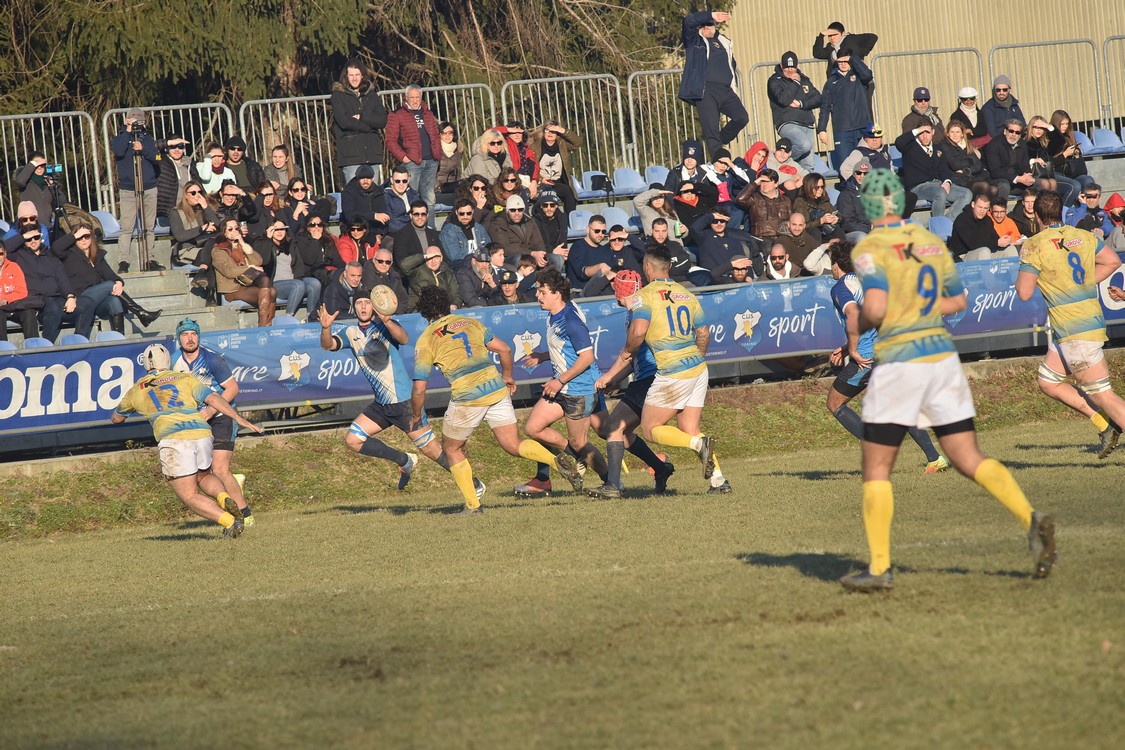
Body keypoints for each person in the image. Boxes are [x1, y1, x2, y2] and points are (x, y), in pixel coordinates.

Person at [838, 168, 1055, 592]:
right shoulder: (930, 242)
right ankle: (1030, 518)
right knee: (967, 457)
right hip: (940, 357)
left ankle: (879, 569)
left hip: (900, 360)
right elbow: (958, 300)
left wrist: (855, 322)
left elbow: (876, 309)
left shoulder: (870, 247)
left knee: (877, 467)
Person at [411, 286, 576, 514]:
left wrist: (416, 415)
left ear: (424, 311)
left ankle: (473, 506)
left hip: (468, 396)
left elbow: (419, 388)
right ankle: (554, 461)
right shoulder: (470, 323)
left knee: (452, 448)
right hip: (496, 388)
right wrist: (507, 377)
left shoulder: (427, 339)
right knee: (513, 444)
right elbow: (505, 349)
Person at [318, 293, 477, 495]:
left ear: (375, 306)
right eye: (359, 303)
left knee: (433, 451)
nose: (363, 307)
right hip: (382, 405)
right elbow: (328, 345)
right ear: (353, 307)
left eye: (367, 302)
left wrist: (387, 321)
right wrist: (326, 328)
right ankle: (405, 460)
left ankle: (474, 484)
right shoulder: (350, 332)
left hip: (404, 403)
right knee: (353, 439)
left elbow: (404, 338)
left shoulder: (386, 325)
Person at [112, 343, 263, 538]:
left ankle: (231, 522)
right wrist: (238, 418)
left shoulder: (136, 389)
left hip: (174, 439)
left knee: (189, 496)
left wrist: (126, 411)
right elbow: (213, 398)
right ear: (168, 361)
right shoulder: (185, 378)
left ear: (146, 364)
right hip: (202, 432)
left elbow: (117, 418)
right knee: (203, 476)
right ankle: (224, 497)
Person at [1016, 190, 1125, 460]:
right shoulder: (1084, 236)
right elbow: (1112, 261)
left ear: (1037, 216)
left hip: (1074, 328)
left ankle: (1109, 420)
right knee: (1048, 381)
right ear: (1061, 213)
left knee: (1103, 395)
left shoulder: (1034, 245)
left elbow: (1024, 292)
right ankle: (1103, 423)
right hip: (1084, 323)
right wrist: (1084, 283)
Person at [825, 242, 948, 473]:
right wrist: (847, 347)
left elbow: (854, 314)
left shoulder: (841, 287)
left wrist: (854, 351)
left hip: (868, 357)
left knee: (835, 402)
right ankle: (934, 458)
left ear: (836, 264)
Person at [620, 245, 730, 493]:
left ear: (647, 267)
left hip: (672, 370)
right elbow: (704, 333)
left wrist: (627, 350)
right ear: (669, 266)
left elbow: (638, 331)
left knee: (650, 428)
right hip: (698, 367)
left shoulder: (644, 296)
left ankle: (698, 445)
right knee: (690, 428)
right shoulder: (686, 293)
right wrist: (697, 359)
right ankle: (719, 480)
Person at [583, 270, 678, 499]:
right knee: (622, 434)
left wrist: (609, 376)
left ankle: (613, 485)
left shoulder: (637, 312)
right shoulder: (636, 310)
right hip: (647, 378)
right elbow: (634, 358)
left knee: (613, 426)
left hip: (650, 379)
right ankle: (661, 468)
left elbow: (628, 354)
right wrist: (616, 379)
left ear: (618, 291)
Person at [516, 268, 606, 494]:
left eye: (542, 292)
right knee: (533, 428)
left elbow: (587, 357)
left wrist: (559, 381)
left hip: (577, 389)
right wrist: (542, 356)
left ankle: (610, 481)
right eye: (537, 291)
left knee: (580, 442)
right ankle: (574, 459)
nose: (537, 296)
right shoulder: (553, 315)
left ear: (557, 294)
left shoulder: (570, 321)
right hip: (562, 386)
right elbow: (568, 349)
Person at [171, 318, 254, 526]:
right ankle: (232, 488)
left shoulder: (212, 360)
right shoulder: (174, 361)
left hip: (221, 416)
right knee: (203, 473)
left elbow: (233, 388)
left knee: (219, 469)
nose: (190, 339)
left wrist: (211, 409)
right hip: (196, 422)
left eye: (193, 334)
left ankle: (246, 515)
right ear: (179, 339)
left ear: (199, 336)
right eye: (185, 335)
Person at [53, 222, 161, 338]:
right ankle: (140, 313)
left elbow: (110, 275)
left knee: (115, 301)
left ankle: (119, 339)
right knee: (109, 285)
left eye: (86, 236)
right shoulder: (68, 254)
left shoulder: (97, 255)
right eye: (80, 237)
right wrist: (75, 235)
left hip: (97, 302)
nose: (83, 240)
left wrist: (119, 282)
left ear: (91, 237)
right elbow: (55, 248)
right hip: (80, 298)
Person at [679, 10, 747, 159]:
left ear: (714, 26)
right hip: (705, 91)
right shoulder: (694, 42)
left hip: (725, 90)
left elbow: (731, 65)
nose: (706, 28)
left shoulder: (723, 42)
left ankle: (720, 140)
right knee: (711, 130)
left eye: (709, 25)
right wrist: (710, 15)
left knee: (742, 117)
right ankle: (718, 161)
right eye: (702, 26)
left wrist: (732, 84)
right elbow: (688, 22)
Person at [111, 108, 163, 273]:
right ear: (127, 120)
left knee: (149, 226)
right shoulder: (120, 138)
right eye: (133, 120)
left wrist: (144, 149)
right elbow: (118, 151)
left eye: (139, 121)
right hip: (128, 189)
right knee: (127, 227)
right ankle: (123, 261)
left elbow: (157, 158)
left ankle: (150, 259)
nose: (137, 124)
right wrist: (127, 132)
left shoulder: (147, 139)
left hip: (149, 188)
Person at [4, 227, 73, 342]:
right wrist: (22, 237)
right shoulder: (18, 256)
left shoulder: (51, 256)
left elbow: (62, 279)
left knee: (87, 305)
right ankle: (46, 344)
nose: (33, 241)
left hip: (57, 298)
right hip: (37, 301)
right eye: (29, 239)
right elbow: (4, 248)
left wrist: (70, 296)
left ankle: (81, 343)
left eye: (36, 237)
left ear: (41, 238)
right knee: (54, 308)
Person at [894, 123, 971, 219]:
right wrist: (918, 130)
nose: (925, 136)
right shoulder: (910, 147)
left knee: (966, 193)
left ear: (933, 132)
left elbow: (944, 168)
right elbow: (899, 142)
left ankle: (947, 222)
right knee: (940, 193)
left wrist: (947, 182)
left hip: (938, 184)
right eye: (921, 133)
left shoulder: (937, 148)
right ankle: (938, 225)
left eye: (927, 132)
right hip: (918, 187)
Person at [331, 59, 388, 184]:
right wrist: (369, 127)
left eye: (357, 74)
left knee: (373, 192)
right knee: (354, 192)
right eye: (351, 75)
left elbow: (382, 120)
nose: (354, 78)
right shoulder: (338, 96)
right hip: (351, 154)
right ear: (346, 76)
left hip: (372, 153)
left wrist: (362, 117)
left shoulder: (371, 95)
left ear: (362, 75)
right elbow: (344, 122)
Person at [211, 218, 276, 327]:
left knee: (272, 290)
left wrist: (242, 243)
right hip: (233, 287)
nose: (234, 231)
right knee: (270, 289)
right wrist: (249, 267)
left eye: (236, 228)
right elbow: (229, 272)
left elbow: (258, 261)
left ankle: (266, 323)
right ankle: (264, 324)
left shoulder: (242, 246)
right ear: (224, 232)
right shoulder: (218, 250)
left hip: (248, 282)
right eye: (230, 229)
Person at [385, 85, 442, 207]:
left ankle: (430, 220)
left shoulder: (428, 114)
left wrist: (437, 154)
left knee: (430, 198)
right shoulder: (397, 115)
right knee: (411, 197)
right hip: (412, 162)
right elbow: (390, 141)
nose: (415, 101)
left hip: (431, 161)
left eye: (417, 97)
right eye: (412, 97)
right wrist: (404, 157)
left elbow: (436, 135)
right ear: (406, 98)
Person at [817, 53, 874, 171]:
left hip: (862, 128)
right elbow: (825, 107)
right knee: (845, 167)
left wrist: (853, 58)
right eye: (840, 62)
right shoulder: (831, 82)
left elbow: (868, 75)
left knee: (866, 166)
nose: (843, 64)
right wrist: (822, 129)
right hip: (842, 131)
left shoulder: (859, 77)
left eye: (846, 61)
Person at [766, 51, 821, 172]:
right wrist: (795, 82)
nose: (790, 70)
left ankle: (801, 180)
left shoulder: (804, 80)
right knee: (804, 145)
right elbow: (784, 99)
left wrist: (802, 104)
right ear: (781, 66)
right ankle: (780, 163)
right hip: (787, 122)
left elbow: (818, 98)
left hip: (807, 124)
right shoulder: (775, 81)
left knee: (808, 165)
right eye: (787, 67)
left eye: (793, 67)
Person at [527, 121, 583, 213]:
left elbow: (578, 142)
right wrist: (540, 179)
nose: (550, 133)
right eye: (547, 130)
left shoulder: (562, 144)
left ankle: (570, 218)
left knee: (568, 192)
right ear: (543, 132)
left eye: (554, 131)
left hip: (557, 182)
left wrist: (562, 130)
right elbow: (530, 166)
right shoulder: (535, 146)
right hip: (541, 182)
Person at [948, 193, 1008, 261]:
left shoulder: (987, 220)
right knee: (984, 251)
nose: (982, 211)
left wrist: (1005, 241)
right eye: (980, 207)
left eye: (985, 208)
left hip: (985, 253)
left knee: (1010, 249)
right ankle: (986, 268)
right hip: (963, 256)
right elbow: (973, 244)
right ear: (973, 204)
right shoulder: (962, 220)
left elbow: (995, 238)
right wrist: (996, 243)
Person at [812, 21, 878, 82]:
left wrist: (860, 54)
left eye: (835, 35)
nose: (832, 38)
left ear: (843, 33)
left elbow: (873, 37)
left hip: (856, 80)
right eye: (829, 36)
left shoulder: (850, 39)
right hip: (838, 82)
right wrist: (821, 35)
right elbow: (817, 53)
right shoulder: (830, 47)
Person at [14, 152, 67, 227]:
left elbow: (62, 202)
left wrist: (52, 186)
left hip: (48, 227)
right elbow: (19, 181)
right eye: (36, 165)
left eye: (42, 165)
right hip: (29, 226)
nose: (39, 167)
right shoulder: (26, 182)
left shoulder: (48, 180)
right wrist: (33, 164)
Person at [402, 246, 461, 312]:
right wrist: (424, 256)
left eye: (436, 257)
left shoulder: (448, 273)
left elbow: (455, 294)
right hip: (418, 310)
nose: (433, 261)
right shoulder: (417, 270)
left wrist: (455, 305)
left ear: (441, 258)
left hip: (443, 310)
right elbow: (403, 265)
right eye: (430, 258)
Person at [0, 242, 39, 342]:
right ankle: (3, 348)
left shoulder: (14, 267)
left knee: (28, 313)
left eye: (0, 254)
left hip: (13, 305)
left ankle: (33, 346)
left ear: (5, 254)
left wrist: (6, 299)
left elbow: (22, 292)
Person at [440, 198, 491, 266]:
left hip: (483, 264)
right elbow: (455, 258)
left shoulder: (479, 228)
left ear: (473, 212)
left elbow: (489, 249)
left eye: (468, 213)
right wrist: (477, 260)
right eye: (462, 214)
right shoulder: (448, 232)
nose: (465, 216)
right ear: (456, 212)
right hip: (461, 267)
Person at [360, 248, 408, 314]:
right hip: (375, 315)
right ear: (374, 261)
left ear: (391, 263)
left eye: (387, 262)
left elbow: (403, 298)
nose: (384, 264)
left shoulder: (395, 277)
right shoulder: (368, 274)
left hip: (395, 315)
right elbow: (372, 297)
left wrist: (396, 315)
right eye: (380, 261)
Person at [980, 75, 1026, 139]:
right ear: (994, 90)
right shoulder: (988, 108)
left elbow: (1023, 125)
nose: (1001, 92)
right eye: (998, 90)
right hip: (1000, 141)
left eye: (1004, 90)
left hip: (1017, 138)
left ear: (1009, 89)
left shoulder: (1014, 104)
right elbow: (993, 133)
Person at [435, 121, 464, 202]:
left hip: (452, 187)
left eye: (450, 133)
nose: (447, 136)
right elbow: (430, 174)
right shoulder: (435, 150)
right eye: (444, 133)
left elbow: (458, 172)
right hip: (437, 189)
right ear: (439, 134)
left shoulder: (457, 151)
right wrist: (437, 187)